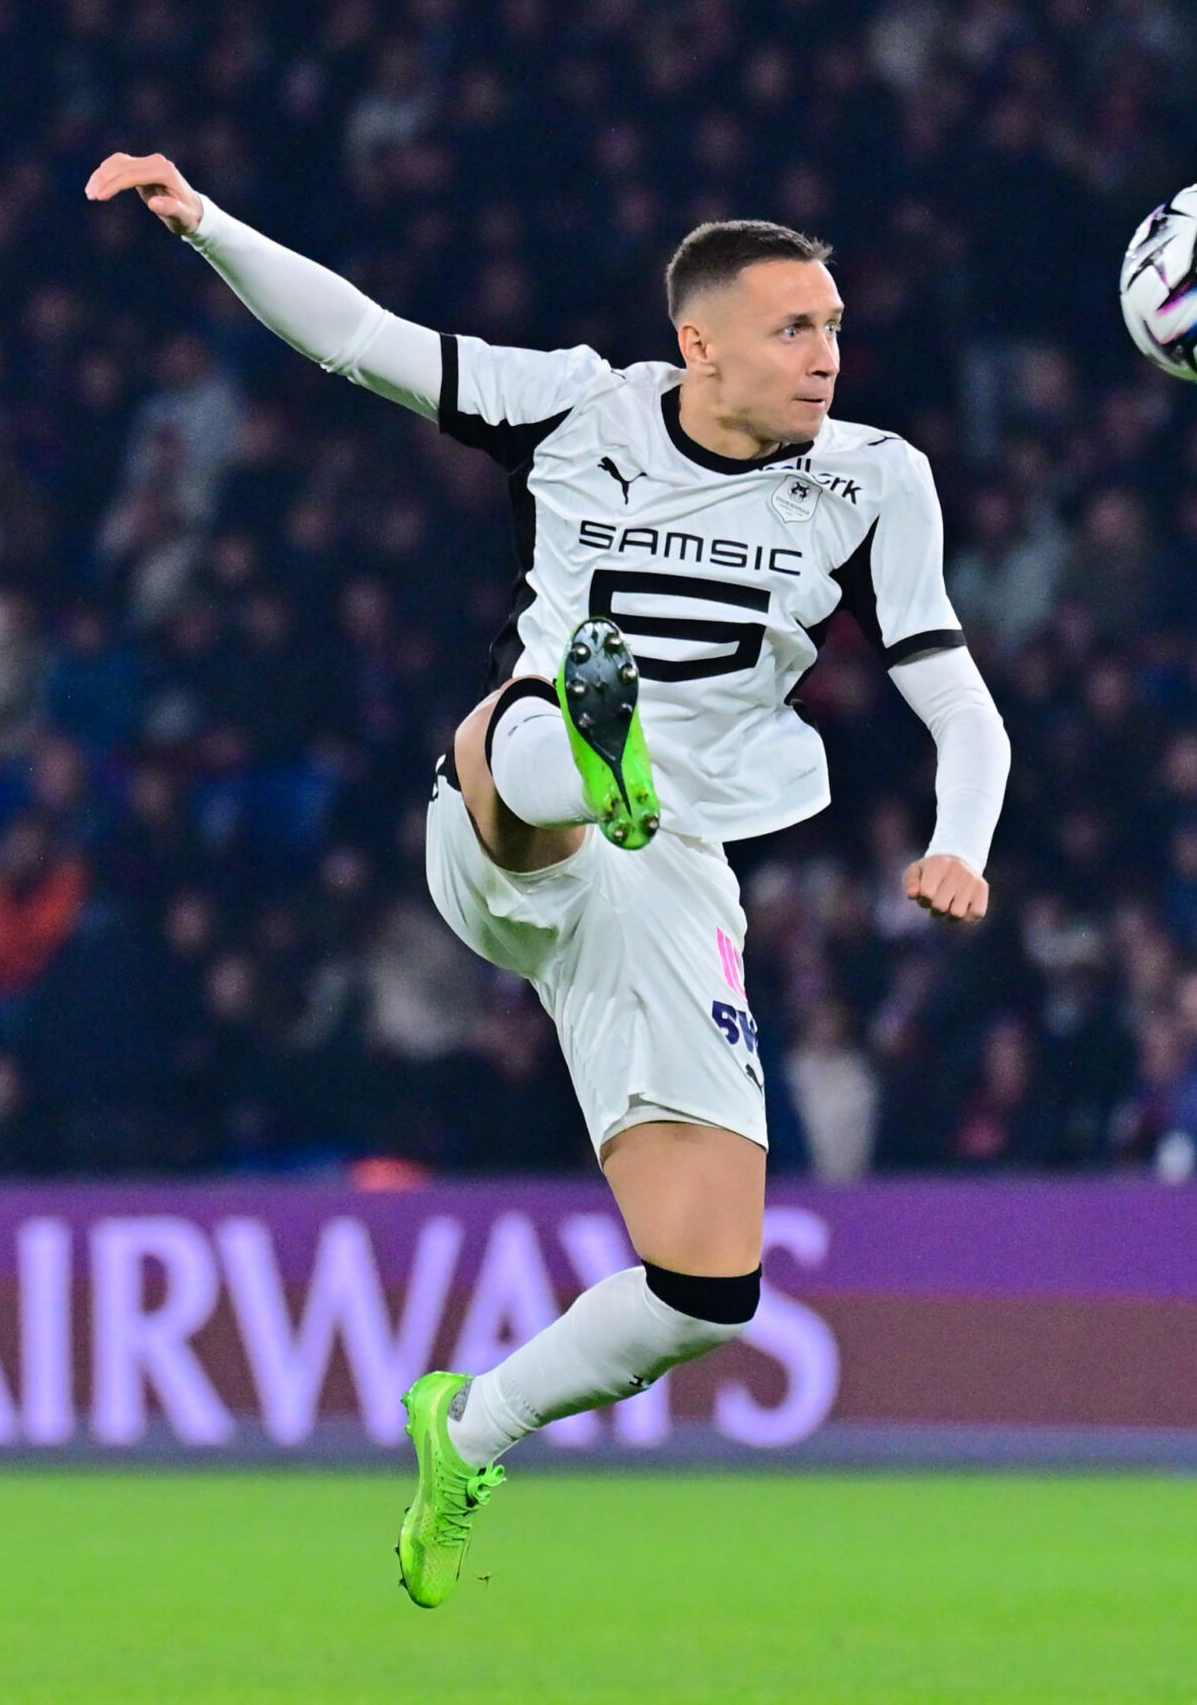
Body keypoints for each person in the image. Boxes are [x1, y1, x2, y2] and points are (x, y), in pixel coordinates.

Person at [87, 153, 1010, 1607]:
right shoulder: (587, 404)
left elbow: (958, 696)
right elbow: (362, 338)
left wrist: (964, 838)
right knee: (530, 736)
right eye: (793, 328)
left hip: (670, 875)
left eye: (834, 326)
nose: (827, 353)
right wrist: (205, 225)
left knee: (711, 1286)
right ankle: (587, 737)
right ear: (699, 344)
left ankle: (470, 1424)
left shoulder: (878, 480)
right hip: (510, 825)